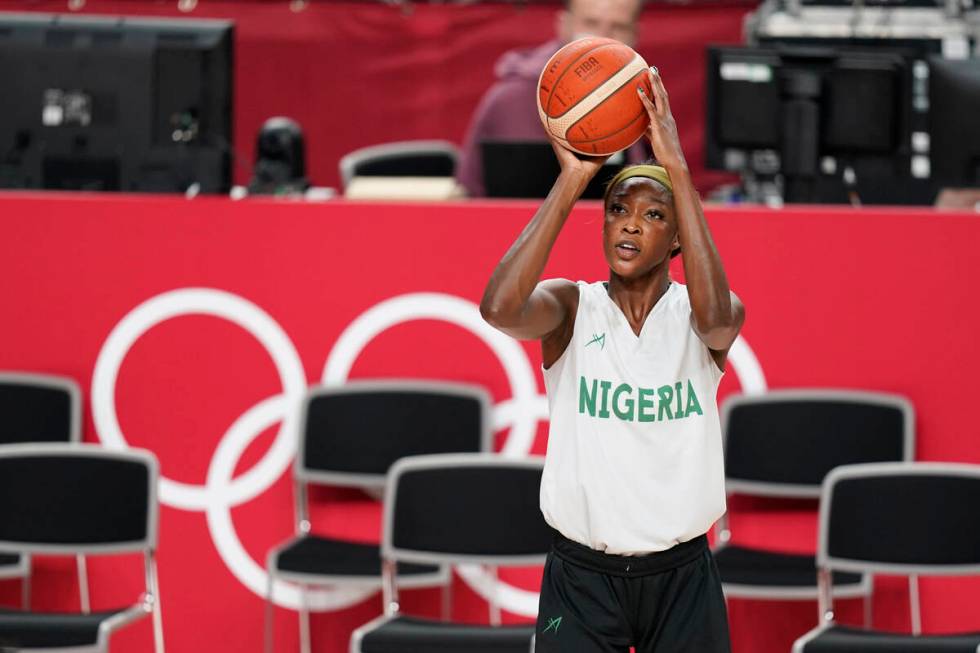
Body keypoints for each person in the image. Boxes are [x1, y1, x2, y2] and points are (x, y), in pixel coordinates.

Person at [480, 67, 743, 652]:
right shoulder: (573, 307)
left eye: (654, 215)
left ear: (678, 238)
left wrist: (678, 168)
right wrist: (574, 178)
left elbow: (718, 318)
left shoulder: (705, 317)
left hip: (683, 576)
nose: (630, 222)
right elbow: (499, 308)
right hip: (578, 580)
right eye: (619, 209)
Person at [456, 0, 646, 197]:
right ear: (564, 25)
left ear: (635, 35)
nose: (603, 38)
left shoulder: (644, 104)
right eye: (591, 23)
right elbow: (468, 194)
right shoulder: (509, 100)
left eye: (619, 27)